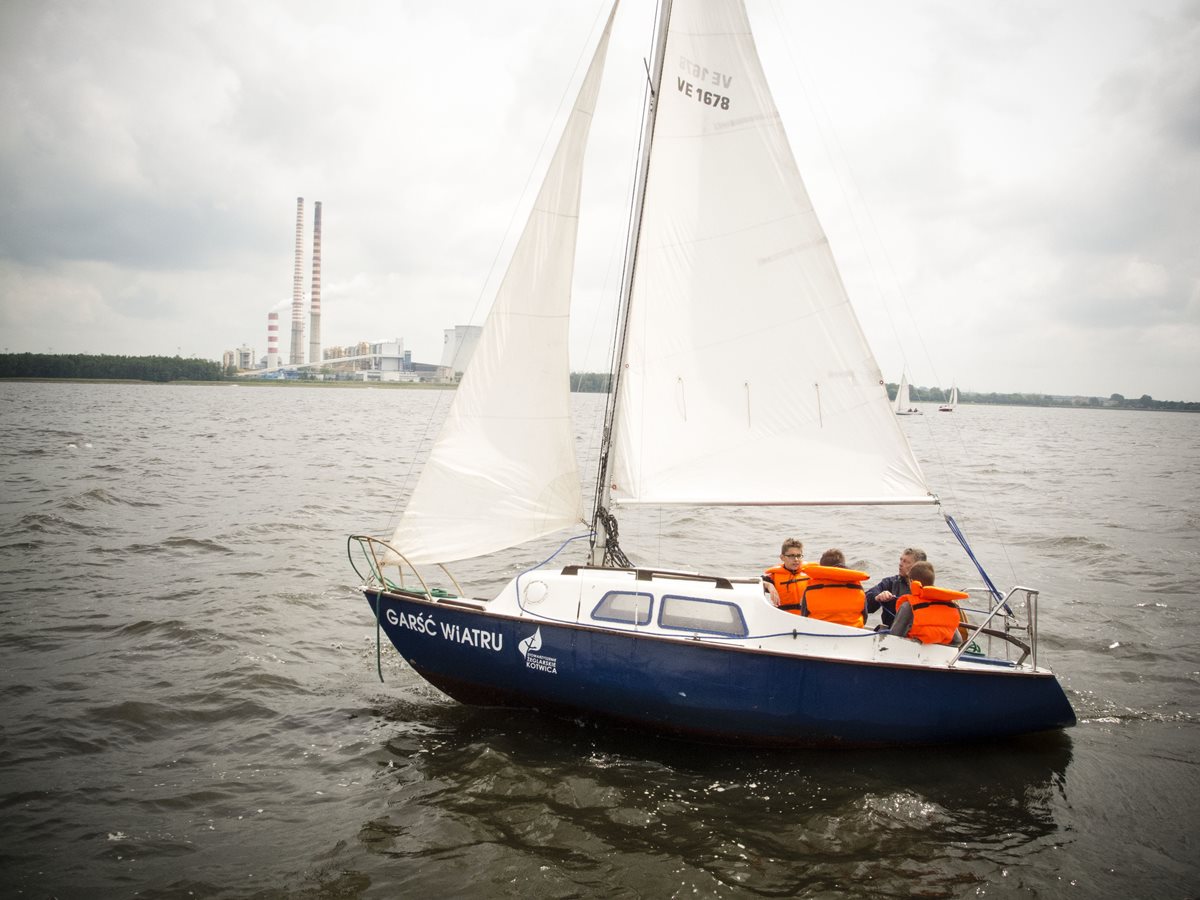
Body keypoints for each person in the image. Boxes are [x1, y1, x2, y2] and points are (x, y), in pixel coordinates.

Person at [889, 561, 970, 644]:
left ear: (911, 581)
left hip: (912, 649)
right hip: (942, 650)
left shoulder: (908, 606)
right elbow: (957, 641)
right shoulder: (948, 606)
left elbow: (894, 637)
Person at [799, 548, 870, 628]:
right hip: (853, 633)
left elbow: (804, 617)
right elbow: (864, 617)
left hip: (819, 632)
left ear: (822, 568)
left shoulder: (811, 588)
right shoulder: (857, 587)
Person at [865, 547, 927, 628]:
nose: (900, 564)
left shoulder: (928, 589)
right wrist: (877, 597)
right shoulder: (891, 583)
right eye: (901, 560)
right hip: (891, 631)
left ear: (918, 567)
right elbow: (864, 600)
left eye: (906, 562)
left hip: (918, 632)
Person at [763, 538, 808, 613]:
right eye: (791, 556)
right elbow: (753, 583)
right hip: (784, 617)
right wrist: (768, 585)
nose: (796, 559)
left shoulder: (810, 574)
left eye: (798, 556)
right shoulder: (774, 577)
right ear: (782, 557)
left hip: (807, 617)